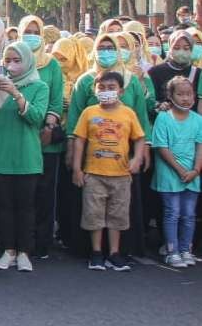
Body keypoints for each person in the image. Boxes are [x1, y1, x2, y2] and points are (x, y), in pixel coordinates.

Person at [0, 42, 49, 272]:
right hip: (1, 154)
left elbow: (37, 117)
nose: (11, 65)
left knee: (26, 207)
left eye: (16, 60)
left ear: (27, 61)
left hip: (26, 156)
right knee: (3, 206)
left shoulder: (39, 86)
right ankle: (8, 250)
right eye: (7, 61)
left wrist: (16, 94)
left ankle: (24, 252)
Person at [71, 70, 146, 271]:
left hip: (121, 175)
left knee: (118, 215)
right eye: (101, 88)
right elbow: (80, 141)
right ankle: (96, 252)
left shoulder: (128, 113)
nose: (106, 91)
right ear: (95, 90)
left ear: (121, 91)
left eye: (111, 88)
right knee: (93, 214)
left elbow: (139, 138)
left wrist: (137, 159)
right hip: (94, 174)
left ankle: (114, 252)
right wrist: (77, 169)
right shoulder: (89, 112)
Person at [17, 15, 66, 259]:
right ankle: (18, 241)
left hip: (45, 141)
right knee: (22, 194)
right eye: (28, 30)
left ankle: (42, 242)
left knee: (45, 192)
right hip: (20, 138)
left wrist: (48, 127)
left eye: (36, 31)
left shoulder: (51, 65)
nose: (32, 35)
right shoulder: (14, 59)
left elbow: (56, 99)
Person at [150, 76, 202, 268]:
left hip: (192, 176)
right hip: (170, 176)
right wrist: (181, 170)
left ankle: (186, 249)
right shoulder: (163, 118)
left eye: (189, 94)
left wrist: (196, 170)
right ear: (170, 97)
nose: (185, 98)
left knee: (189, 214)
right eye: (180, 94)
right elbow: (162, 148)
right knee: (172, 212)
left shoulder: (198, 120)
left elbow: (200, 147)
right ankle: (172, 251)